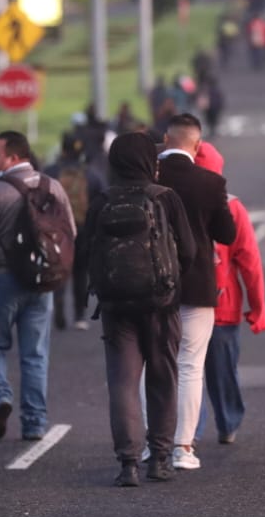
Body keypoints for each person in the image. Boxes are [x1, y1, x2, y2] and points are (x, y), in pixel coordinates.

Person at [79, 132, 196, 486]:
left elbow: (84, 250)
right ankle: (160, 459)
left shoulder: (103, 201)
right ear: (149, 162)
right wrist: (170, 279)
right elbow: (188, 250)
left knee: (123, 383)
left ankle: (128, 463)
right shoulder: (165, 198)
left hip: (116, 307)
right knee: (163, 379)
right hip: (161, 305)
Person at [0, 131, 76, 442]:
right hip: (42, 281)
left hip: (1, 279)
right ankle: (35, 423)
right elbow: (70, 231)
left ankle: (0, 395)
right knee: (35, 354)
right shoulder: (52, 186)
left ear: (13, 157)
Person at [157, 114, 238, 470]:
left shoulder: (149, 178)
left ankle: (152, 445)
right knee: (190, 366)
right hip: (197, 285)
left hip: (150, 286)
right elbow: (227, 234)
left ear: (165, 139)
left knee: (152, 364)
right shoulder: (210, 183)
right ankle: (182, 447)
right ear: (198, 145)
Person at [193, 142, 265, 445]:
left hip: (184, 301)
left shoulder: (174, 199)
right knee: (224, 371)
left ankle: (189, 431)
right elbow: (250, 262)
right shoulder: (232, 206)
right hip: (223, 303)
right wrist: (258, 308)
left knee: (187, 370)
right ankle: (228, 424)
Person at [43, 133, 107, 331]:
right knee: (81, 272)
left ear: (63, 150)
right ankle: (79, 315)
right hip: (83, 230)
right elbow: (102, 200)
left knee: (58, 270)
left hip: (56, 231)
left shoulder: (51, 172)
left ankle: (59, 306)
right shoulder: (91, 174)